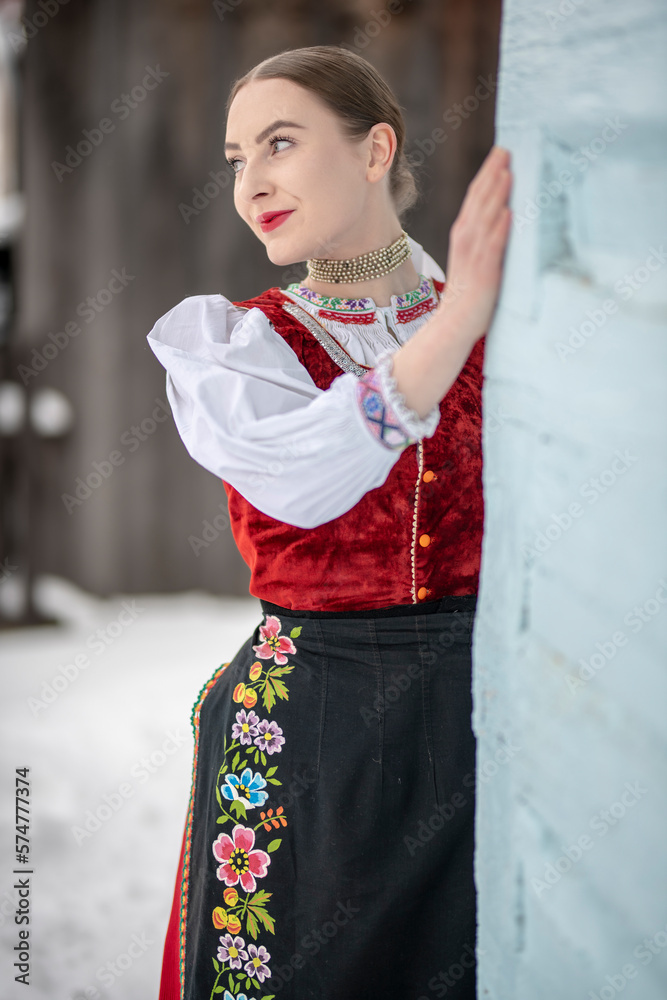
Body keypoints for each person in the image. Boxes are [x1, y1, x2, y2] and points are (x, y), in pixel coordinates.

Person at [147, 43, 512, 1000]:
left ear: (373, 149)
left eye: (278, 143)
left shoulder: (495, 320)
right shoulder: (243, 345)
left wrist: (467, 310)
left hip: (485, 721)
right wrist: (461, 316)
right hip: (311, 734)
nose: (251, 181)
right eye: (236, 158)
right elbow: (306, 478)